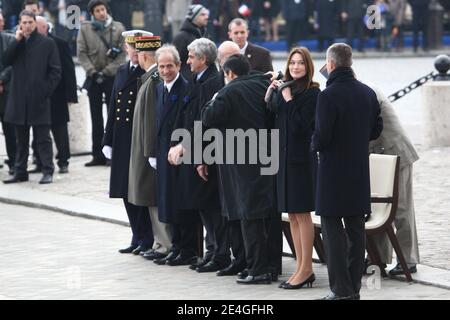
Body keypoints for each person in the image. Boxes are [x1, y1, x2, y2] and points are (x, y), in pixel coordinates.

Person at [311, 43, 383, 300]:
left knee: (333, 235)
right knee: (356, 232)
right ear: (350, 62)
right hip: (358, 172)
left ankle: (339, 290)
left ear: (330, 64)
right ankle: (353, 289)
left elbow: (322, 136)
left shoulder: (327, 95)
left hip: (332, 173)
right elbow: (376, 130)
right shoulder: (367, 92)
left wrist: (313, 144)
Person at [202, 54, 277, 285]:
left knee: (248, 215)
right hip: (266, 156)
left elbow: (208, 117)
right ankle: (269, 266)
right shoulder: (263, 84)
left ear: (229, 73)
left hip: (242, 162)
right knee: (265, 215)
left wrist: (214, 96)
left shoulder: (228, 91)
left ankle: (257, 269)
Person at [167, 38, 231, 273]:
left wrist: (201, 156)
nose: (187, 60)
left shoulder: (214, 82)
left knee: (213, 207)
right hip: (193, 153)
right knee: (202, 206)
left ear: (203, 59)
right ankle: (212, 250)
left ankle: (221, 253)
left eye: (191, 57)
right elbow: (186, 117)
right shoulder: (196, 80)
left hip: (207, 155)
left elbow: (208, 124)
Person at [266, 47, 320, 289]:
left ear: (308, 67)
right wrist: (271, 93)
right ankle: (300, 266)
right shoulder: (285, 88)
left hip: (301, 161)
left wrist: (287, 99)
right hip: (284, 160)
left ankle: (307, 268)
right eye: (292, 63)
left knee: (303, 213)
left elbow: (301, 126)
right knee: (292, 216)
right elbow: (272, 116)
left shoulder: (312, 93)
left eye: (300, 63)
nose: (295, 67)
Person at [102, 30, 155, 255]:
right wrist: (107, 139)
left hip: (139, 138)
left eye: (139, 48)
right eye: (131, 47)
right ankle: (136, 234)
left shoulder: (148, 74)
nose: (135, 52)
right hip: (123, 138)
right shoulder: (122, 71)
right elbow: (113, 105)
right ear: (126, 48)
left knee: (139, 189)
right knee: (124, 189)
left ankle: (147, 237)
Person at [127, 35, 173, 260]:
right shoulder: (150, 77)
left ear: (143, 55)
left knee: (153, 198)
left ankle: (164, 244)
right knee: (149, 198)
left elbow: (153, 119)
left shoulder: (154, 78)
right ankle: (158, 242)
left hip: (149, 151)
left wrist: (151, 152)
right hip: (144, 150)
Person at [2, 10, 61, 185]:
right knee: (21, 140)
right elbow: (6, 60)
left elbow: (55, 72)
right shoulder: (16, 42)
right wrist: (17, 40)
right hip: (19, 99)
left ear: (35, 23)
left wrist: (44, 91)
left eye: (30, 22)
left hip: (39, 99)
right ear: (20, 24)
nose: (27, 26)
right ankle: (20, 171)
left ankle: (47, 170)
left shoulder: (47, 43)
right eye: (24, 23)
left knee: (43, 138)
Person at [369, 87, 420, 276]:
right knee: (379, 206)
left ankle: (409, 259)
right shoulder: (362, 91)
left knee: (401, 208)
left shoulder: (368, 93)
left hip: (396, 152)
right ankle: (379, 258)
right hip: (379, 154)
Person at [152, 45, 194, 266]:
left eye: (170, 66)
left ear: (178, 65)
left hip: (179, 152)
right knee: (168, 200)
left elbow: (185, 123)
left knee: (180, 201)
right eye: (161, 66)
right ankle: (176, 245)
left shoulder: (185, 88)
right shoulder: (160, 88)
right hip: (163, 152)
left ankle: (187, 248)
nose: (166, 70)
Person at [77, 0, 125, 166]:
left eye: (103, 9)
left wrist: (106, 72)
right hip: (93, 78)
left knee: (113, 117)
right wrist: (92, 72)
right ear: (92, 13)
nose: (101, 13)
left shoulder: (118, 28)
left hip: (111, 78)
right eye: (97, 10)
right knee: (95, 117)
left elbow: (122, 56)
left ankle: (111, 154)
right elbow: (82, 54)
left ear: (107, 10)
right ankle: (97, 154)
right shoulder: (85, 29)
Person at [34, 16, 78, 174]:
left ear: (45, 27)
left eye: (36, 26)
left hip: (57, 94)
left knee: (59, 129)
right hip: (38, 95)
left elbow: (69, 70)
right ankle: (40, 161)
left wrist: (71, 95)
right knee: (39, 130)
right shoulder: (29, 43)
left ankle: (63, 160)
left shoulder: (60, 43)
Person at [172, 4, 209, 80]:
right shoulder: (181, 37)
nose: (206, 17)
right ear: (194, 17)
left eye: (206, 14)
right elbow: (174, 61)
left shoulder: (203, 35)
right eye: (202, 14)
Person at [0, 12, 16, 175]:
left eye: (1, 21)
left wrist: (1, 80)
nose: (1, 23)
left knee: (10, 130)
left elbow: (13, 64)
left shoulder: (10, 40)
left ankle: (14, 162)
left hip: (6, 92)